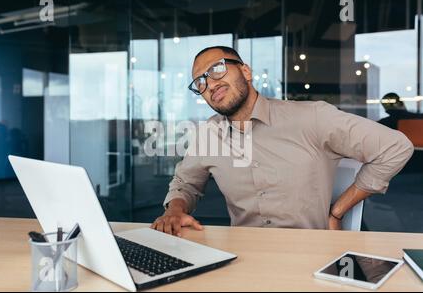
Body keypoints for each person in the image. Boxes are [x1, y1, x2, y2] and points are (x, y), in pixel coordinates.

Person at [151, 46, 414, 235]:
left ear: (246, 71)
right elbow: (186, 183)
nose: (210, 84)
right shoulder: (209, 133)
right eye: (200, 82)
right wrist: (174, 209)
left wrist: (338, 211)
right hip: (243, 260)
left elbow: (395, 148)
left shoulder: (312, 117)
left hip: (310, 260)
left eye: (217, 69)